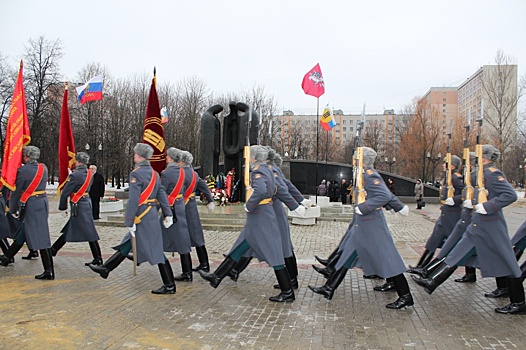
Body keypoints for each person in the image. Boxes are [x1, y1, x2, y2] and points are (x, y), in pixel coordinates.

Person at [412, 145, 525, 314]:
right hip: (477, 223)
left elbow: (510, 195)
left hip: (492, 225)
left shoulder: (493, 174)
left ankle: (519, 302)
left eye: (478, 156)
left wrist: (487, 206)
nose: (474, 159)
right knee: (456, 253)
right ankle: (432, 281)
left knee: (508, 262)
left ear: (484, 157)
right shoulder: (481, 174)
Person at [309, 147, 414, 309]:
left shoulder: (369, 175)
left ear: (362, 160)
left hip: (372, 224)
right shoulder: (362, 174)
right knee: (348, 255)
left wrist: (365, 207)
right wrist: (398, 207)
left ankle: (406, 296)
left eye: (356, 158)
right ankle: (329, 288)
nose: (353, 160)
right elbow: (386, 195)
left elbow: (384, 195)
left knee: (387, 259)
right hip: (363, 224)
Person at [199, 146, 304, 302]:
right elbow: (278, 190)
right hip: (260, 217)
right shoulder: (267, 170)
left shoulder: (259, 172)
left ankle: (287, 291)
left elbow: (262, 191)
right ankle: (217, 276)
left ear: (254, 158)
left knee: (274, 254)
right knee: (240, 247)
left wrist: (250, 205)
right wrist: (296, 206)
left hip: (260, 217)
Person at [89, 143, 176, 294]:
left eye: (135, 154)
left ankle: (169, 284)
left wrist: (129, 220)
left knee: (155, 250)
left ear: (140, 156)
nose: (134, 156)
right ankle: (106, 268)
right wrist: (168, 213)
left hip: (142, 216)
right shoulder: (155, 173)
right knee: (129, 243)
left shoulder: (136, 174)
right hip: (150, 214)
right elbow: (161, 194)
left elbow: (134, 199)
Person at [0, 146, 54, 280]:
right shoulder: (44, 168)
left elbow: (16, 192)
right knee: (24, 232)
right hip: (42, 202)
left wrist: (12, 209)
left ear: (26, 157)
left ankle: (49, 270)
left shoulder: (23, 171)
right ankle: (7, 256)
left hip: (31, 205)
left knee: (41, 237)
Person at [408, 156, 464, 274]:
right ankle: (421, 266)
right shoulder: (448, 177)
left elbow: (467, 192)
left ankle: (469, 272)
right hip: (446, 214)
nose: (443, 165)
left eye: (446, 163)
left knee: (457, 244)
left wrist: (455, 199)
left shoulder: (455, 177)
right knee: (433, 241)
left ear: (452, 165)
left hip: (453, 215)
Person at [50, 152, 103, 267]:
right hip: (87, 203)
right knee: (71, 228)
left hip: (78, 205)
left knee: (89, 232)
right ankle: (53, 250)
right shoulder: (90, 174)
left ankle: (98, 258)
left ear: (77, 161)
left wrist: (62, 207)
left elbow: (65, 193)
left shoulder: (75, 175)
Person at [160, 147, 193, 282]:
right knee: (182, 240)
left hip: (170, 207)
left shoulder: (166, 173)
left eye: (167, 156)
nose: (166, 158)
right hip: (179, 205)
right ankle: (187, 271)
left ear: (171, 158)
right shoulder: (182, 172)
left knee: (155, 237)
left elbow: (162, 192)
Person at [179, 151, 215, 273]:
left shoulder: (180, 173)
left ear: (182, 161)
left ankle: (187, 270)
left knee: (182, 237)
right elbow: (203, 186)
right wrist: (210, 200)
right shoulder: (194, 174)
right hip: (192, 207)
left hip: (182, 207)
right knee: (197, 236)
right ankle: (204, 263)